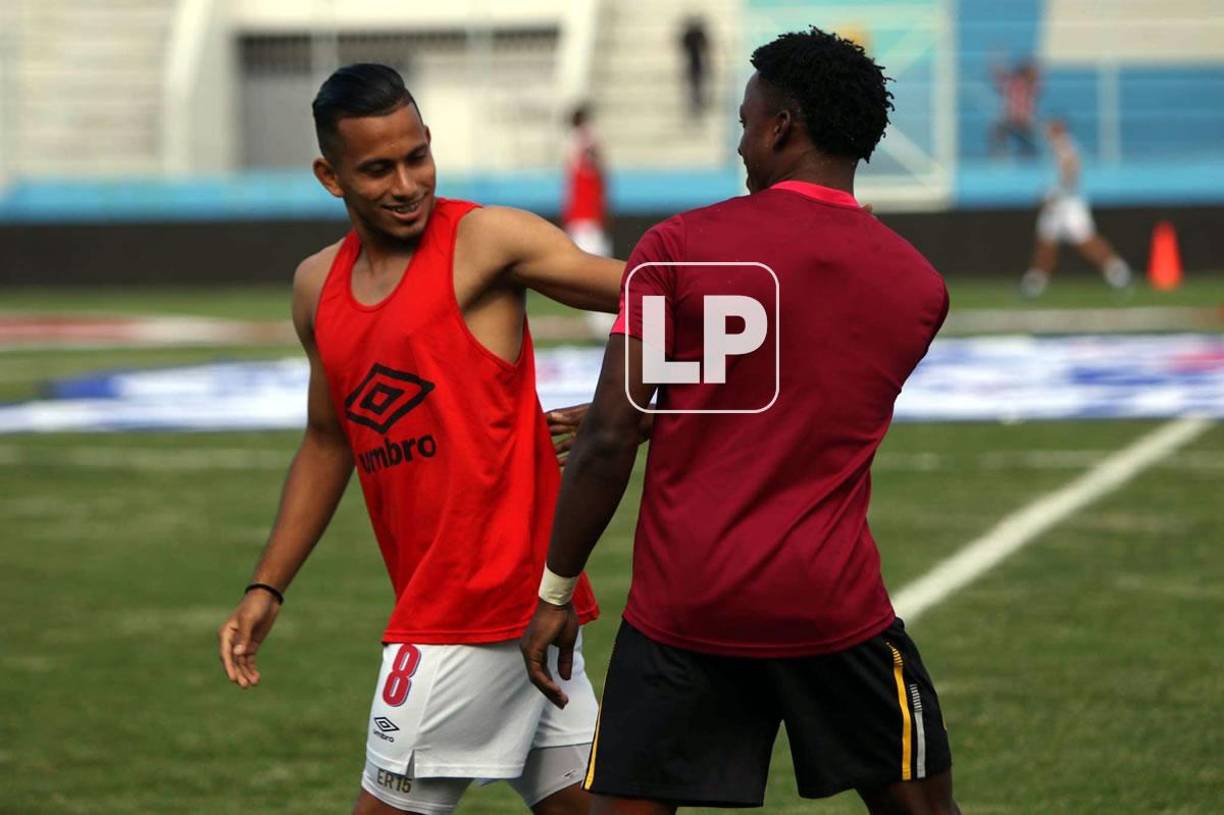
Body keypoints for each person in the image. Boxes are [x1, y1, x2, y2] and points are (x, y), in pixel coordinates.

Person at [522, 28, 961, 815]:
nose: (740, 140)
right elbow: (809, 400)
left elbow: (609, 437)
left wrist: (555, 590)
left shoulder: (677, 247)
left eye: (744, 120)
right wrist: (678, 410)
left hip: (683, 606)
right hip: (831, 606)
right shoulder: (921, 286)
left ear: (781, 126)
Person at [216, 63, 625, 815]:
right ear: (329, 177)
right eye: (377, 168)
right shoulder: (316, 286)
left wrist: (635, 414)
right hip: (491, 607)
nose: (407, 183)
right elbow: (327, 439)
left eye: (418, 156)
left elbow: (661, 299)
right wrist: (267, 584)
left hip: (476, 607)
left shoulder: (486, 240)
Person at [1020, 118, 1132, 297]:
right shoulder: (1054, 149)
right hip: (1056, 206)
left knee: (1086, 242)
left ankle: (1118, 272)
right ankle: (1035, 281)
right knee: (1046, 243)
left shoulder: (1066, 146)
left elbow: (1071, 172)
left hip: (1069, 204)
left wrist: (1054, 194)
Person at [561, 104, 616, 337]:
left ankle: (602, 323)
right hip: (586, 216)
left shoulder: (581, 141)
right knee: (593, 267)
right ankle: (601, 323)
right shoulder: (584, 141)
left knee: (593, 266)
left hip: (586, 215)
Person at [990, 58, 1039, 157]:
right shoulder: (1015, 83)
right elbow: (999, 77)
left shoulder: (1028, 85)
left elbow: (999, 78)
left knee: (1026, 138)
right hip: (1013, 118)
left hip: (1021, 120)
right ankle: (1001, 152)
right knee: (998, 131)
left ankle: (1024, 152)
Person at [678, 17, 710, 118]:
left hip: (695, 62)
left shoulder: (691, 35)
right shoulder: (695, 35)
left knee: (696, 84)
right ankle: (697, 103)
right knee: (696, 84)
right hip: (695, 62)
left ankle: (697, 103)